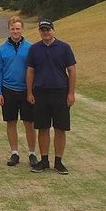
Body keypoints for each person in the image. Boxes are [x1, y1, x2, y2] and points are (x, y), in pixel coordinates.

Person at [26, 19, 77, 174]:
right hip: (40, 92)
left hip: (60, 92)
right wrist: (29, 92)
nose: (45, 32)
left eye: (48, 29)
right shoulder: (34, 49)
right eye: (42, 30)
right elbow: (30, 71)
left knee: (60, 128)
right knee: (42, 128)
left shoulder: (64, 47)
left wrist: (71, 93)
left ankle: (59, 162)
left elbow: (72, 71)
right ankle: (44, 160)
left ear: (53, 30)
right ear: (40, 31)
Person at [0, 16, 38, 168]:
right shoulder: (1, 49)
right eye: (13, 28)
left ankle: (32, 153)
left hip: (26, 90)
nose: (15, 31)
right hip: (8, 90)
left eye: (18, 28)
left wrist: (33, 91)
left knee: (29, 123)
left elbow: (35, 70)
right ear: (9, 29)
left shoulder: (31, 48)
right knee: (11, 122)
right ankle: (14, 153)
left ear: (22, 29)